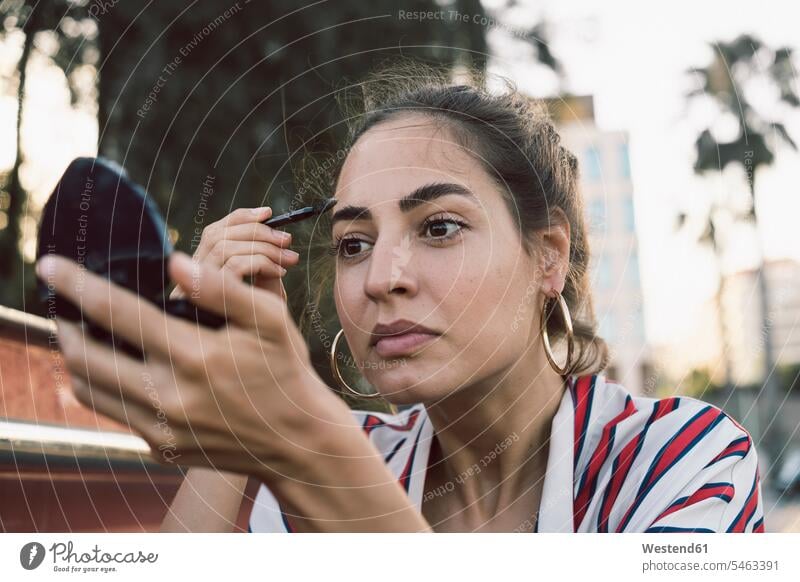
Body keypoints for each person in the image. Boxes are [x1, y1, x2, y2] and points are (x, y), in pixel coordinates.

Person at [41, 62, 765, 533]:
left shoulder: (682, 460)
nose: (383, 276)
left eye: (439, 227)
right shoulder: (350, 461)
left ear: (549, 256)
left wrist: (324, 465)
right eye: (353, 243)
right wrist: (239, 419)